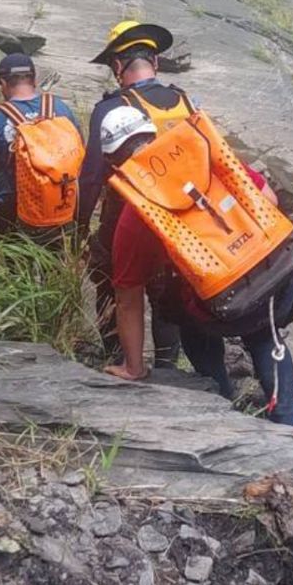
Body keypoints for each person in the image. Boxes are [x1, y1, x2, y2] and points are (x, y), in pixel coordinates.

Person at [97, 106, 293, 426]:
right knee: (265, 336)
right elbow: (270, 201)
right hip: (273, 277)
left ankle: (223, 405)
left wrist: (133, 368)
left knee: (190, 323)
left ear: (113, 162)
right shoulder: (204, 151)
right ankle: (290, 424)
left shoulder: (134, 214)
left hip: (214, 309)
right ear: (153, 133)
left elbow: (128, 300)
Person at [78, 21, 192, 371]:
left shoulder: (112, 108)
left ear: (117, 67)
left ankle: (119, 359)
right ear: (154, 62)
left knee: (112, 283)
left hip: (126, 217)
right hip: (180, 214)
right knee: (166, 294)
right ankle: (167, 367)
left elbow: (93, 176)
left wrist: (78, 226)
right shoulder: (184, 100)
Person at [0, 53, 84, 242]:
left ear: (3, 84)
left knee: (15, 266)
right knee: (54, 261)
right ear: (34, 80)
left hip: (13, 208)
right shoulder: (60, 107)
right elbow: (80, 150)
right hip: (61, 203)